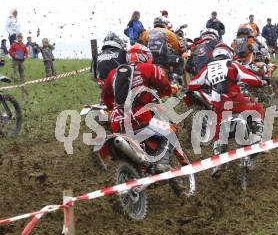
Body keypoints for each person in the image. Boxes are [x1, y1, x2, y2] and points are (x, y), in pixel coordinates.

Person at [188, 43, 266, 176]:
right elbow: (249, 77)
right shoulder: (232, 64)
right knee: (258, 109)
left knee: (217, 132)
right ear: (228, 53)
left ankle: (218, 160)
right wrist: (261, 82)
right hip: (236, 102)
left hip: (219, 107)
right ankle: (257, 138)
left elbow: (193, 84)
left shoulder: (207, 68)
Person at [101, 44, 173, 172]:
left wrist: (113, 108)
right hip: (140, 120)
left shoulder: (113, 73)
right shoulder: (150, 68)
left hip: (117, 124)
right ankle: (163, 163)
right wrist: (167, 92)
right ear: (145, 56)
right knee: (170, 130)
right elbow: (165, 86)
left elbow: (105, 97)